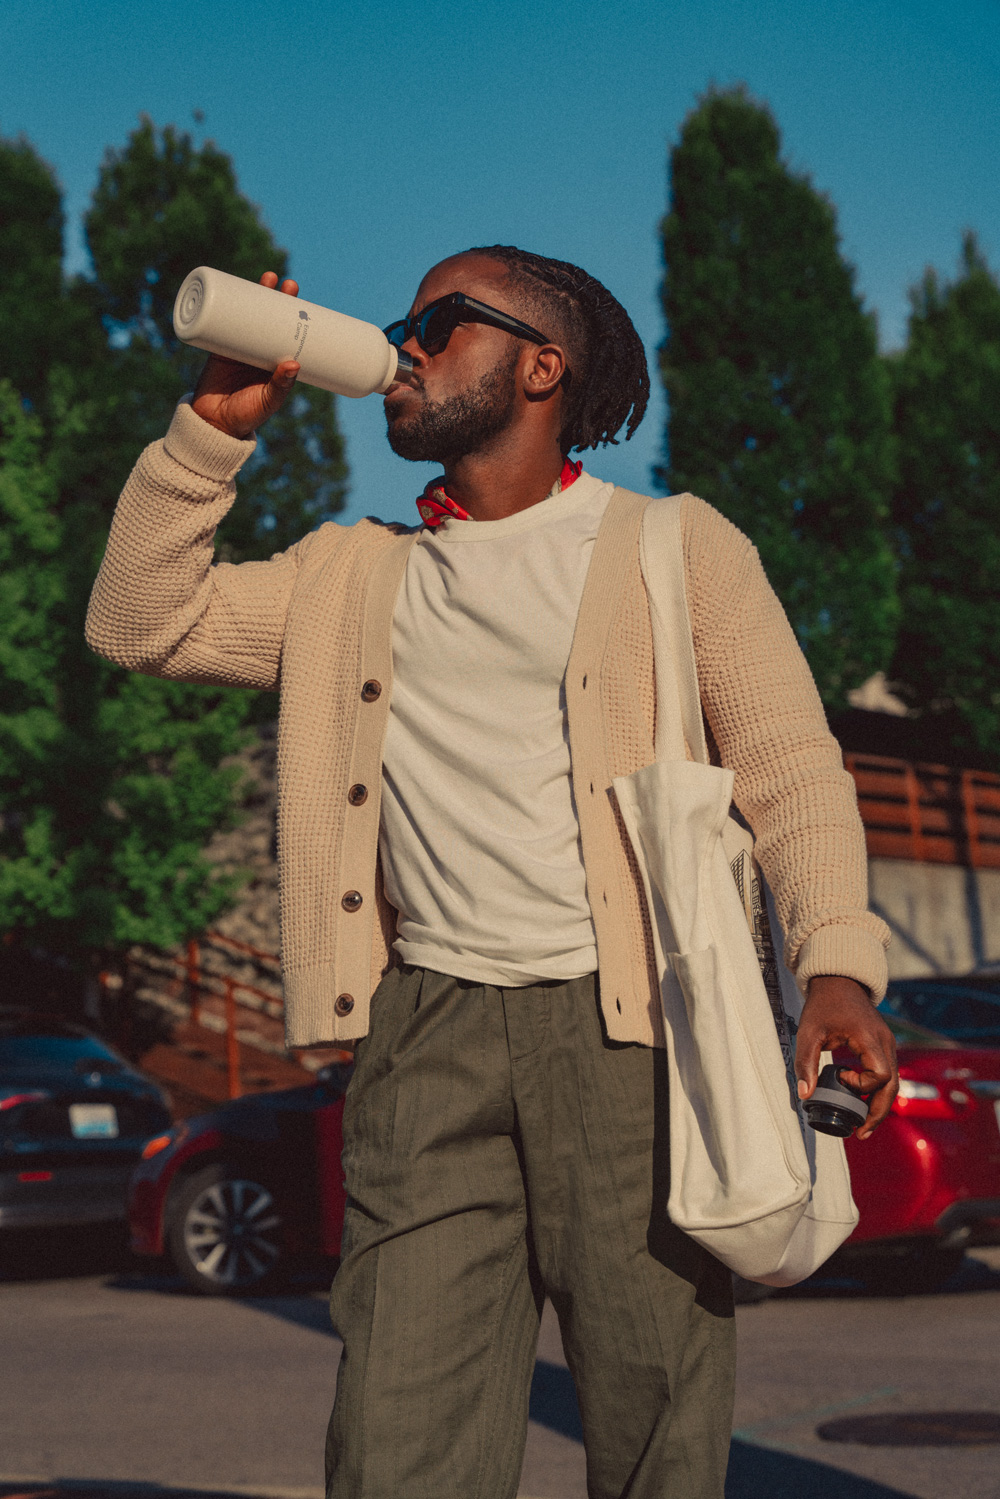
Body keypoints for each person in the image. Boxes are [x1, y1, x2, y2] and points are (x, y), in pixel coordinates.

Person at [86, 246, 898, 1499]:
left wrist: (836, 963)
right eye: (403, 325)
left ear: (540, 366)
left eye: (439, 324)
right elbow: (140, 621)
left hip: (633, 1041)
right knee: (397, 1438)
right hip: (426, 1034)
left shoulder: (673, 546)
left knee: (654, 1430)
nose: (403, 347)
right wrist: (212, 430)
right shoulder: (350, 574)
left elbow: (790, 769)